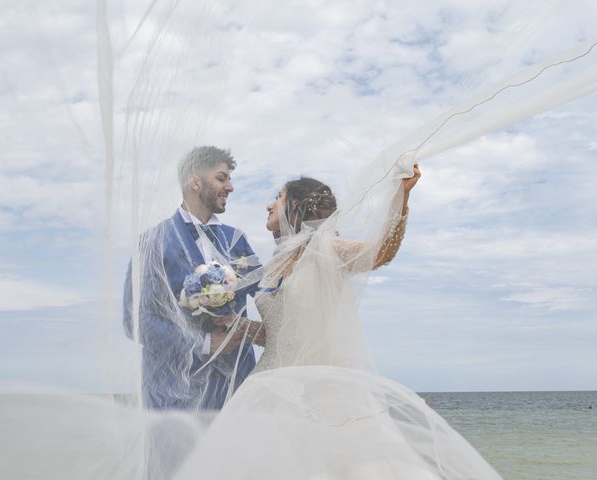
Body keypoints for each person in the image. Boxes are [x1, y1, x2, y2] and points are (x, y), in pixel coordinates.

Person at [173, 166, 504, 480]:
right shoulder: (275, 263)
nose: (269, 204)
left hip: (321, 393)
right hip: (271, 385)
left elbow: (382, 251)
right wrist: (237, 325)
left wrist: (401, 197)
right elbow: (278, 332)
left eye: (278, 196)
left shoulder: (326, 248)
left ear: (297, 207)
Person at [123, 146, 262, 411]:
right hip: (174, 395)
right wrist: (205, 344)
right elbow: (135, 320)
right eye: (222, 178)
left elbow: (269, 290)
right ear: (194, 181)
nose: (230, 187)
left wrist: (306, 250)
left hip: (236, 392)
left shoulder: (237, 241)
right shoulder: (151, 243)